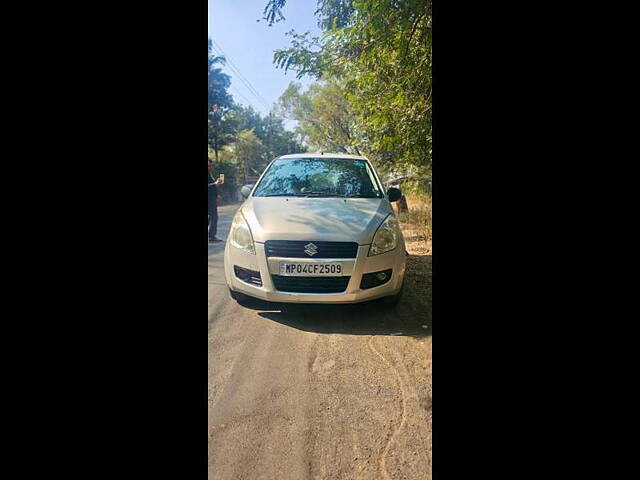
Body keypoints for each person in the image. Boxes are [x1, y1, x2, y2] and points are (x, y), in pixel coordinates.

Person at [208, 159, 224, 243]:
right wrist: (214, 184)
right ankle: (211, 237)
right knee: (213, 217)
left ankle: (211, 236)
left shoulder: (210, 174)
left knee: (212, 217)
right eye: (209, 166)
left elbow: (212, 186)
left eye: (211, 166)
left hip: (211, 199)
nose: (210, 167)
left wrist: (217, 194)